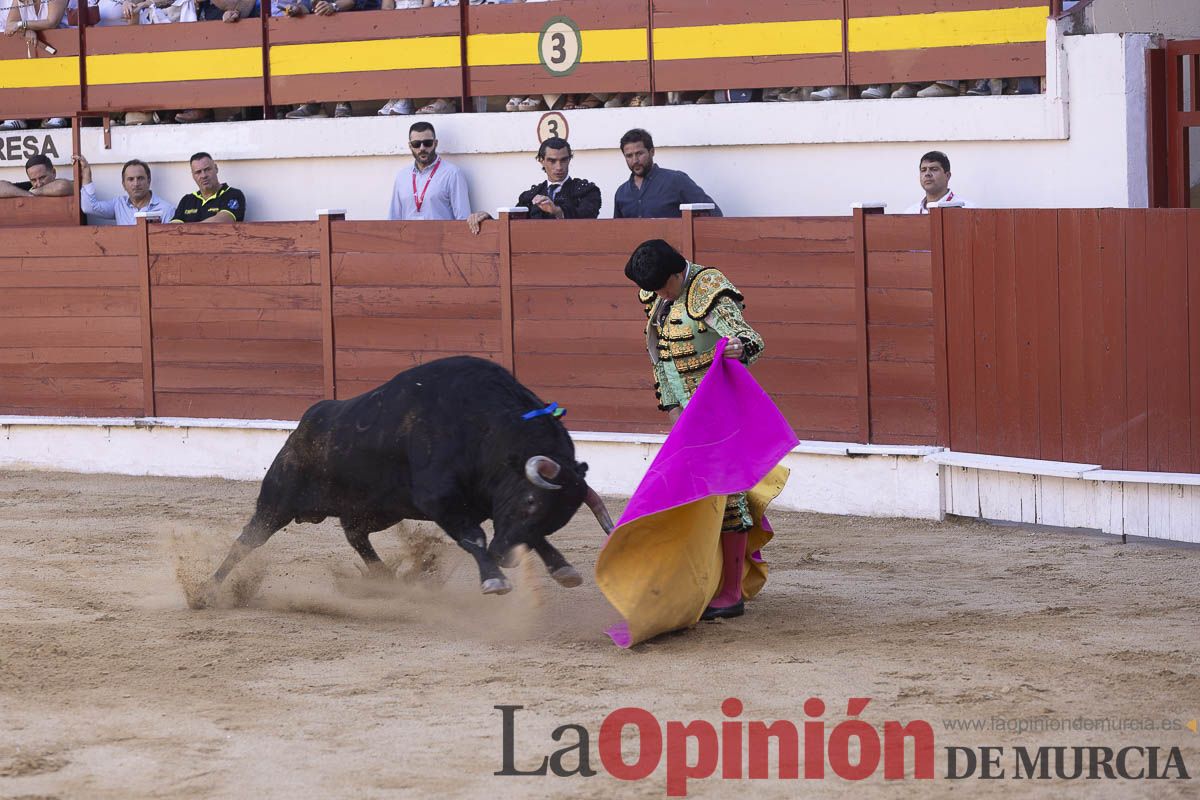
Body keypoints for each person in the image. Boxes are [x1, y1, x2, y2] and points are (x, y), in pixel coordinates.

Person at [624, 239, 764, 619]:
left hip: (718, 412)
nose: (657, 295)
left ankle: (731, 593)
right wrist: (672, 413)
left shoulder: (708, 290)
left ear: (676, 273)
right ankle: (713, 578)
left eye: (662, 287)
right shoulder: (658, 293)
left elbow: (750, 338)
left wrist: (737, 346)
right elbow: (662, 357)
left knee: (728, 499)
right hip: (685, 416)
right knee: (688, 496)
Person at [465, 136, 599, 232]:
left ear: (570, 159)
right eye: (552, 161)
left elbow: (587, 218)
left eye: (563, 160)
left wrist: (557, 211)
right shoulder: (530, 196)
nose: (559, 167)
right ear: (541, 161)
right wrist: (488, 220)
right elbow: (513, 227)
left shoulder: (587, 191)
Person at [613, 128, 721, 219]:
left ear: (652, 152)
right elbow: (616, 232)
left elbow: (712, 213)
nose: (635, 160)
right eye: (629, 156)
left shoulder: (676, 180)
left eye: (639, 153)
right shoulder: (621, 193)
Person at [388, 121, 471, 220]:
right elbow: (394, 219)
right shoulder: (402, 176)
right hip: (408, 235)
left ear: (435, 143)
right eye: (416, 144)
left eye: (427, 143)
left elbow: (463, 218)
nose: (422, 148)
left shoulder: (452, 174)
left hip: (440, 235)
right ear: (410, 146)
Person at [76, 155, 175, 224]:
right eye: (130, 179)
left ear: (149, 180)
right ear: (123, 184)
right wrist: (86, 172)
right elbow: (88, 207)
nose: (136, 184)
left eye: (140, 178)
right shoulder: (118, 204)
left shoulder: (166, 209)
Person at [170, 152, 247, 223]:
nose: (203, 176)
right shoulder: (187, 200)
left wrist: (188, 231)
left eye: (207, 170)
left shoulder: (233, 194)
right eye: (198, 172)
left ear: (216, 168)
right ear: (193, 175)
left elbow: (225, 219)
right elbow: (173, 228)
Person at [903, 150, 974, 214]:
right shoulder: (910, 213)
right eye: (923, 170)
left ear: (947, 176)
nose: (927, 174)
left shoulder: (968, 210)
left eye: (934, 169)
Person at [0, 154, 74, 197]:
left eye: (42, 178)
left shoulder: (63, 183)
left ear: (53, 172)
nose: (38, 184)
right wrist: (27, 194)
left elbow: (62, 187)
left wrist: (36, 192)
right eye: (33, 180)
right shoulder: (28, 188)